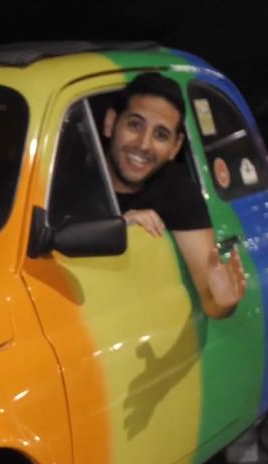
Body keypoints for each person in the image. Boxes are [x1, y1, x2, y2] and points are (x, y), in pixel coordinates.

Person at [101, 73, 247, 319]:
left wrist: (223, 300)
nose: (144, 145)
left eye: (161, 135)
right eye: (135, 125)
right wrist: (115, 226)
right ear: (111, 122)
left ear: (175, 147)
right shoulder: (64, 171)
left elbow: (211, 304)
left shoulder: (177, 191)